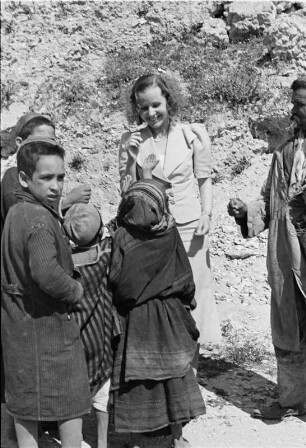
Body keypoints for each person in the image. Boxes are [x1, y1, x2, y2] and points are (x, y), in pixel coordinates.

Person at [118, 73, 222, 347]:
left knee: (194, 290)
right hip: (152, 232)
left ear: (168, 100)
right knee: (161, 295)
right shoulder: (131, 141)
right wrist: (131, 161)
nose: (150, 113)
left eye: (156, 105)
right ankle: (165, 360)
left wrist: (206, 214)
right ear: (136, 108)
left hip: (189, 228)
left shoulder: (192, 135)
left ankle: (193, 364)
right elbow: (126, 194)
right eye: (143, 107)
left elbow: (204, 180)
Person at [1, 136, 92, 448]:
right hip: (48, 325)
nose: (56, 186)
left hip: (18, 324)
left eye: (61, 177)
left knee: (26, 400)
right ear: (25, 179)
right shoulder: (39, 218)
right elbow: (46, 274)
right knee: (69, 398)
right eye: (47, 178)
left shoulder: (16, 212)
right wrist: (76, 290)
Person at [228, 76, 306, 420]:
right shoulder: (288, 149)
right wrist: (247, 211)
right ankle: (291, 399)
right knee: (290, 326)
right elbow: (269, 198)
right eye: (294, 102)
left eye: (301, 103)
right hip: (288, 256)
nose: (294, 110)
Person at [109, 176, 206, 448]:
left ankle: (132, 439)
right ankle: (177, 437)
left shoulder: (122, 236)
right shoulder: (170, 231)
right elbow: (184, 274)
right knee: (174, 377)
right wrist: (186, 301)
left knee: (135, 379)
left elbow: (118, 281)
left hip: (136, 319)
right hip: (170, 314)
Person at [63, 203, 121, 448]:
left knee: (72, 397)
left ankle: (71, 440)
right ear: (98, 234)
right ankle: (102, 441)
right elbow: (116, 228)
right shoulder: (104, 254)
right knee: (102, 394)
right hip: (99, 338)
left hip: (72, 342)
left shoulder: (63, 262)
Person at [1, 112, 91, 226]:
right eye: (40, 140)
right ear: (20, 142)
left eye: (51, 141)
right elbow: (28, 224)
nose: (47, 146)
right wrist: (66, 203)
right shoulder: (13, 176)